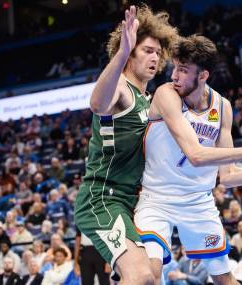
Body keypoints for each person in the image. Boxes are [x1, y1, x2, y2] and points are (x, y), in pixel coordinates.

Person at [135, 35, 242, 285]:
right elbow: (196, 155)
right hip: (157, 199)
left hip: (198, 202)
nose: (174, 76)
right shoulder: (166, 94)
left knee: (225, 278)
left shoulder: (222, 107)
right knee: (149, 274)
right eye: (175, 68)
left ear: (203, 75)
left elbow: (228, 177)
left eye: (183, 71)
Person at [74, 5, 178, 285]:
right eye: (146, 50)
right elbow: (96, 104)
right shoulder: (120, 87)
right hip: (102, 198)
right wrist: (121, 54)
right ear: (130, 53)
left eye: (158, 52)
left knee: (153, 278)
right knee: (141, 275)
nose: (155, 57)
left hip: (133, 202)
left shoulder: (150, 100)